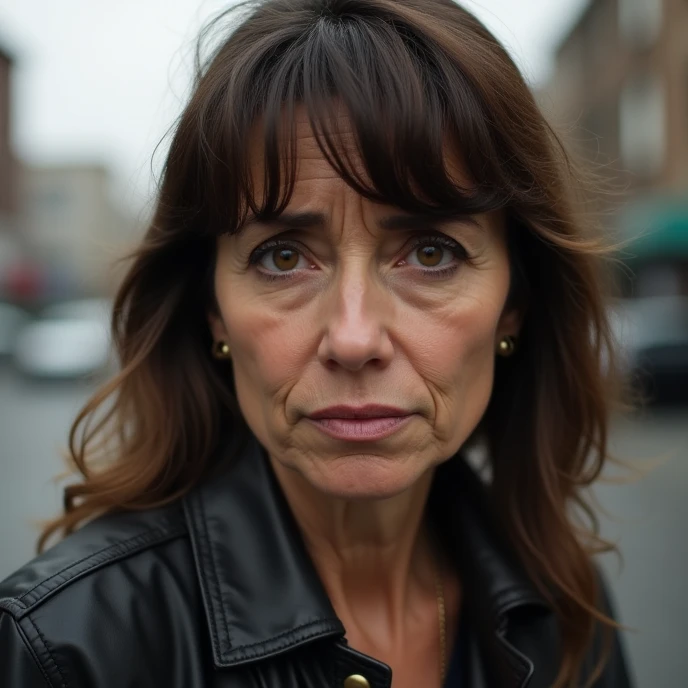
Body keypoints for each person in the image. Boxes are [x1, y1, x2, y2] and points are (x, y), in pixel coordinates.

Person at [0, 1, 634, 686]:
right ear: (212, 309)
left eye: (429, 252)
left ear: (514, 305)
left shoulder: (567, 611)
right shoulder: (66, 650)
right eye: (282, 258)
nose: (354, 338)